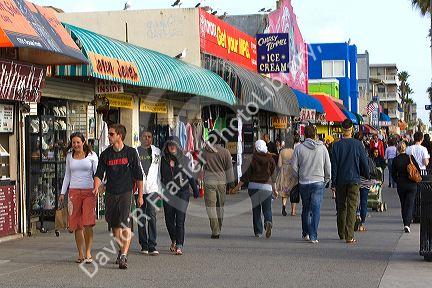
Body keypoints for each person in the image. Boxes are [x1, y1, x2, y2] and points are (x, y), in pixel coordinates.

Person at [93, 124, 144, 269]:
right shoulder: (106, 154)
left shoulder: (131, 152)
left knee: (125, 224)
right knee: (115, 226)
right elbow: (99, 173)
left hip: (126, 193)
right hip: (110, 193)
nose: (108, 136)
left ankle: (123, 256)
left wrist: (140, 196)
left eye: (111, 134)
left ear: (119, 136)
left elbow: (139, 176)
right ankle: (122, 250)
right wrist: (96, 186)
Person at [60, 132, 98, 264]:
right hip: (74, 192)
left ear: (83, 142)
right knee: (76, 225)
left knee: (88, 223)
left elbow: (97, 173)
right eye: (73, 142)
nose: (75, 145)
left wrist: (99, 186)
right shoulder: (69, 156)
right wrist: (62, 193)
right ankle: (80, 253)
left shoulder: (92, 155)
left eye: (78, 142)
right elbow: (67, 175)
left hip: (89, 191)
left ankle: (88, 252)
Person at [331, 119, 369, 244]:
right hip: (354, 179)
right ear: (352, 129)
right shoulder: (358, 144)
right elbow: (364, 162)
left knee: (341, 206)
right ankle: (349, 235)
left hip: (341, 180)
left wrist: (334, 183)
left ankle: (341, 232)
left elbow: (334, 166)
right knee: (352, 207)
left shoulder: (336, 145)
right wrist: (366, 175)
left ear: (342, 130)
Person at [160, 136, 199, 255]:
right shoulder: (163, 160)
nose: (172, 146)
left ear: (178, 146)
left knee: (180, 220)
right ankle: (174, 239)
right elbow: (159, 177)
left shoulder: (185, 160)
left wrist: (195, 190)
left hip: (183, 192)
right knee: (169, 220)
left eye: (174, 144)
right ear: (167, 147)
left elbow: (191, 176)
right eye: (170, 145)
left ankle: (179, 245)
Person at [292, 125, 331, 244]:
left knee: (306, 208)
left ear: (304, 134)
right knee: (316, 209)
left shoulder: (299, 148)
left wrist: (298, 177)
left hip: (304, 182)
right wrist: (327, 179)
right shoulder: (322, 148)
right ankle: (313, 235)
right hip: (318, 182)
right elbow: (327, 166)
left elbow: (294, 167)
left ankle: (306, 233)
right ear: (315, 134)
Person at [232, 140, 277, 238]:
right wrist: (275, 189)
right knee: (267, 209)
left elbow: (245, 176)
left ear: (256, 148)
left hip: (253, 187)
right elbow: (273, 177)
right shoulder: (271, 159)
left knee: (256, 209)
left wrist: (236, 187)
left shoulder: (251, 159)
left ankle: (258, 232)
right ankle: (268, 222)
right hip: (266, 188)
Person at [201, 133, 235, 239]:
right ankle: (218, 228)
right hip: (221, 182)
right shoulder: (225, 152)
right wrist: (232, 184)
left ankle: (215, 230)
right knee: (220, 207)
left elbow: (199, 166)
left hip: (209, 181)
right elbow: (229, 169)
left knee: (210, 207)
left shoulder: (204, 152)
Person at [135, 130, 161, 256]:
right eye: (144, 136)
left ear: (152, 138)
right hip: (139, 189)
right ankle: (143, 244)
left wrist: (160, 189)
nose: (147, 138)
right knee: (141, 217)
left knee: (151, 215)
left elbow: (159, 171)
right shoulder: (135, 152)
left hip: (152, 188)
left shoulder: (157, 152)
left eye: (149, 137)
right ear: (140, 138)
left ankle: (152, 245)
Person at [391, 142, 421, 233]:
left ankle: (405, 223)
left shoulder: (396, 160)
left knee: (403, 204)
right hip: (412, 184)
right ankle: (407, 224)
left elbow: (393, 174)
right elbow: (418, 170)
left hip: (401, 185)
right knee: (410, 204)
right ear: (405, 148)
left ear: (398, 149)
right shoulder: (410, 158)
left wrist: (398, 181)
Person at [275, 137, 298, 217]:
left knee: (284, 191)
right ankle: (293, 211)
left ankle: (284, 206)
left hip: (284, 171)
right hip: (292, 171)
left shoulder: (282, 151)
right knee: (293, 191)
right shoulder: (294, 151)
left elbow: (279, 164)